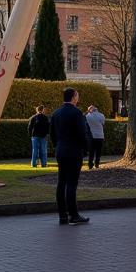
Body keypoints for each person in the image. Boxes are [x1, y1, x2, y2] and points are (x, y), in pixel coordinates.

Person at [50, 87, 89, 225]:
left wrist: (57, 146)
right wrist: (86, 148)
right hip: (74, 151)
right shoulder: (77, 113)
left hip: (61, 150)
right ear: (73, 97)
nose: (78, 97)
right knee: (72, 183)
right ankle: (73, 214)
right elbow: (81, 133)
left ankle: (62, 215)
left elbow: (53, 135)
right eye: (77, 95)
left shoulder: (56, 113)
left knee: (61, 183)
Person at [28, 104, 50, 168]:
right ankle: (44, 164)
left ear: (37, 110)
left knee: (35, 150)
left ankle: (34, 164)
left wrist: (30, 135)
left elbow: (29, 127)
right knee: (43, 150)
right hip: (43, 136)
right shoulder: (45, 118)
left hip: (35, 136)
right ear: (42, 110)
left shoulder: (33, 117)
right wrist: (47, 133)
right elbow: (48, 127)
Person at [85, 104, 106, 169]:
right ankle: (97, 164)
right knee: (98, 151)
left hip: (91, 136)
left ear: (89, 110)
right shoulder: (101, 115)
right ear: (96, 109)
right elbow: (103, 123)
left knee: (91, 151)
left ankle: (90, 164)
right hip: (100, 136)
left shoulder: (87, 116)